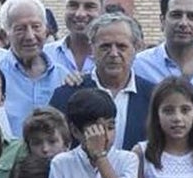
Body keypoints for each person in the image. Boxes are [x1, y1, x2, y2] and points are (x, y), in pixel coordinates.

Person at [50, 12, 154, 151]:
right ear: (92, 48)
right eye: (105, 46)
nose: (113, 53)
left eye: (121, 46)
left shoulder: (153, 97)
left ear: (136, 48)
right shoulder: (67, 94)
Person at [0, 0, 70, 136]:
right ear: (5, 34)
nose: (30, 36)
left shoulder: (64, 77)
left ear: (46, 29)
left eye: (36, 27)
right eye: (20, 29)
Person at [45, 0, 106, 75]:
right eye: (73, 5)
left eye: (89, 6)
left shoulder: (112, 60)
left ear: (102, 11)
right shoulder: (45, 56)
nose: (80, 14)